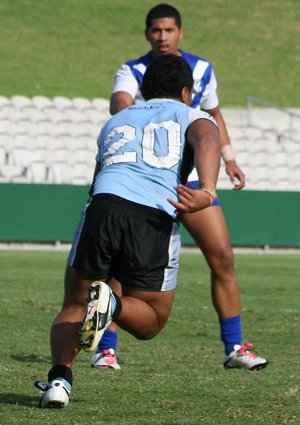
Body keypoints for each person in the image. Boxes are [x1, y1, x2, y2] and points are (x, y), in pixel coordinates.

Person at [34, 54, 221, 408]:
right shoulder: (192, 113)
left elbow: (98, 172)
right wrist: (208, 190)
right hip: (151, 216)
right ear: (186, 92)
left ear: (144, 90)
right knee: (151, 320)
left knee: (75, 302)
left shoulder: (117, 119)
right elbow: (208, 140)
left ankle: (59, 382)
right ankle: (114, 305)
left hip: (102, 207)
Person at [93, 3, 268, 371]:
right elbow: (119, 105)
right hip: (148, 179)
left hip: (190, 180)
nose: (162, 36)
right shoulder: (133, 70)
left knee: (222, 257)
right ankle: (105, 348)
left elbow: (213, 114)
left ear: (180, 33)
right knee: (120, 267)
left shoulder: (202, 69)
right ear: (147, 34)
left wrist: (229, 157)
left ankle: (234, 347)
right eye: (156, 30)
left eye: (168, 30)